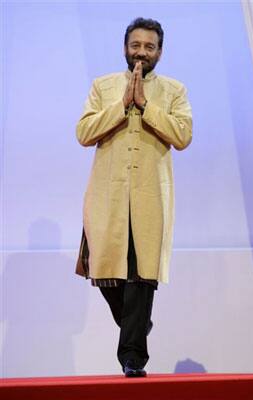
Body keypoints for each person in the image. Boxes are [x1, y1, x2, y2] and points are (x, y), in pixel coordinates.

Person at [75, 17, 192, 377]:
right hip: (108, 197)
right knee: (105, 275)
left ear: (159, 51)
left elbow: (183, 136)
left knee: (141, 277)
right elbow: (83, 132)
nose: (141, 52)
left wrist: (146, 106)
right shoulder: (103, 86)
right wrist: (122, 104)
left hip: (149, 198)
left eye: (149, 46)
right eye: (136, 45)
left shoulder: (174, 90)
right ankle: (136, 326)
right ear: (125, 47)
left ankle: (132, 358)